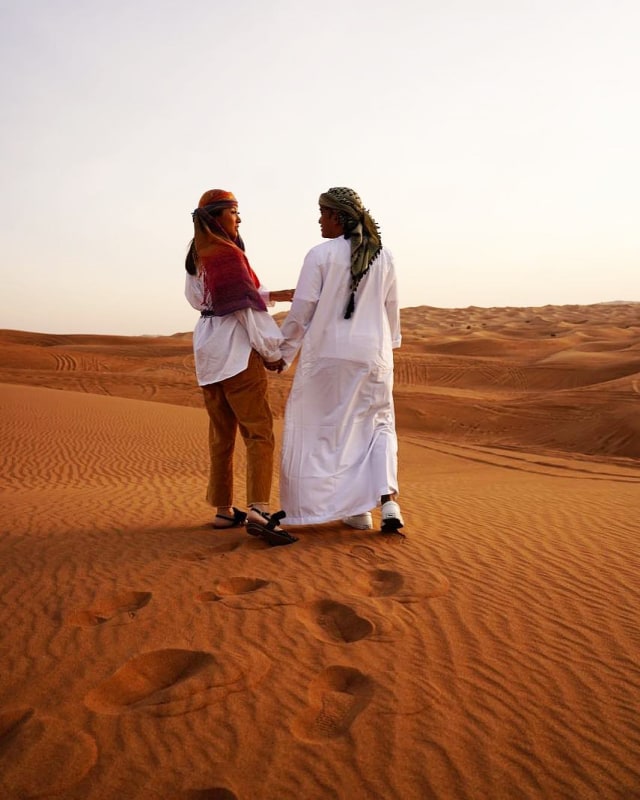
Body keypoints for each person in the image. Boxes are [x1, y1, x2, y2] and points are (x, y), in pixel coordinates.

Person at [277, 186, 404, 534]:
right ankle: (382, 503)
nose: (319, 220)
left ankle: (340, 508)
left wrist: (282, 352)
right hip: (374, 356)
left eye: (323, 213)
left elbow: (302, 309)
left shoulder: (320, 254)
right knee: (376, 426)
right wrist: (388, 344)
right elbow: (391, 309)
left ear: (338, 216)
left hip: (328, 356)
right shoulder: (385, 255)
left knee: (325, 432)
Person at [184, 188, 297, 546]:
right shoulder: (229, 256)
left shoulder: (198, 255)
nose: (239, 219)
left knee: (221, 434)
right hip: (235, 354)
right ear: (217, 217)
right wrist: (271, 352)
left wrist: (275, 294)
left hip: (207, 352)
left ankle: (222, 510)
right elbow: (245, 310)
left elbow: (207, 300)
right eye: (234, 212)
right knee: (259, 432)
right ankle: (259, 509)